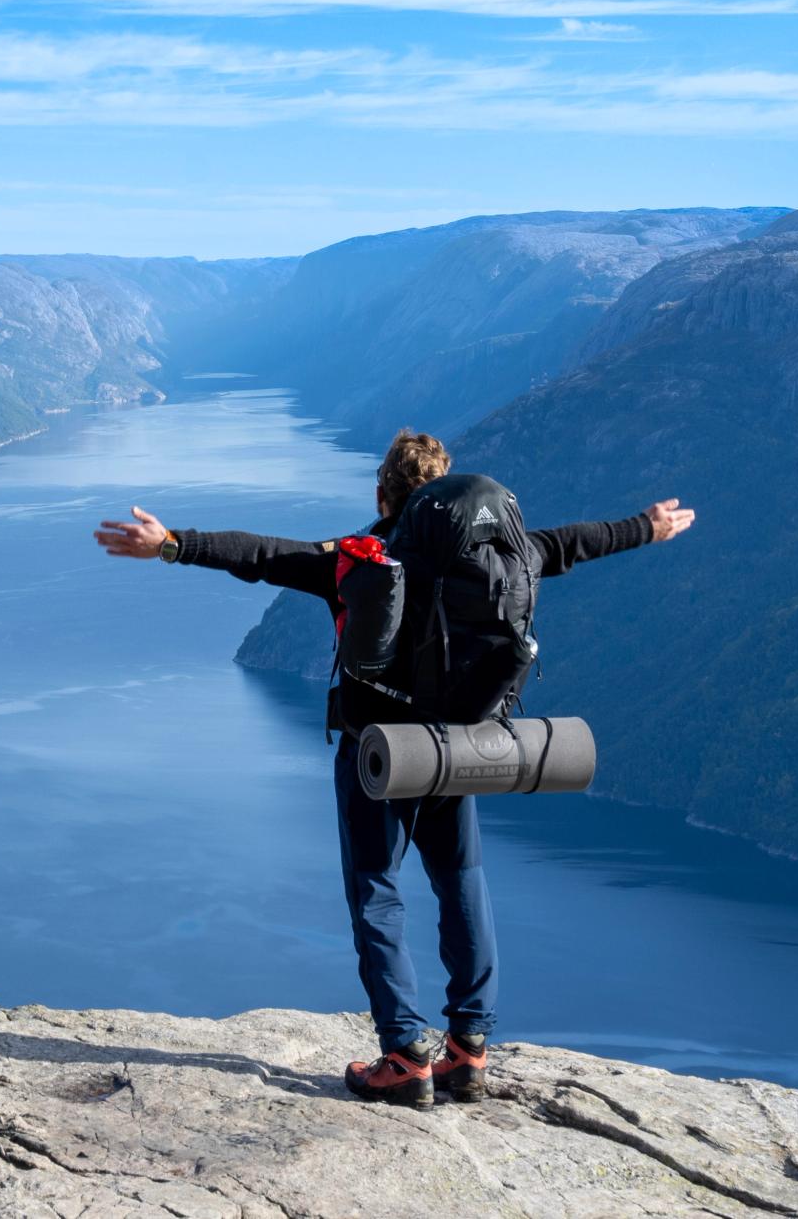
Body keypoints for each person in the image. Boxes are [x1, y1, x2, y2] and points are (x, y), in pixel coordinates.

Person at [94, 429, 694, 1107]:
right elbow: (578, 542)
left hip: (379, 755)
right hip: (455, 750)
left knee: (377, 893)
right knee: (461, 882)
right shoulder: (504, 556)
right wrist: (647, 526)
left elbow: (262, 554)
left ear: (384, 494)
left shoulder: (358, 559)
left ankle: (406, 1055)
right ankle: (470, 1047)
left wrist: (172, 544)